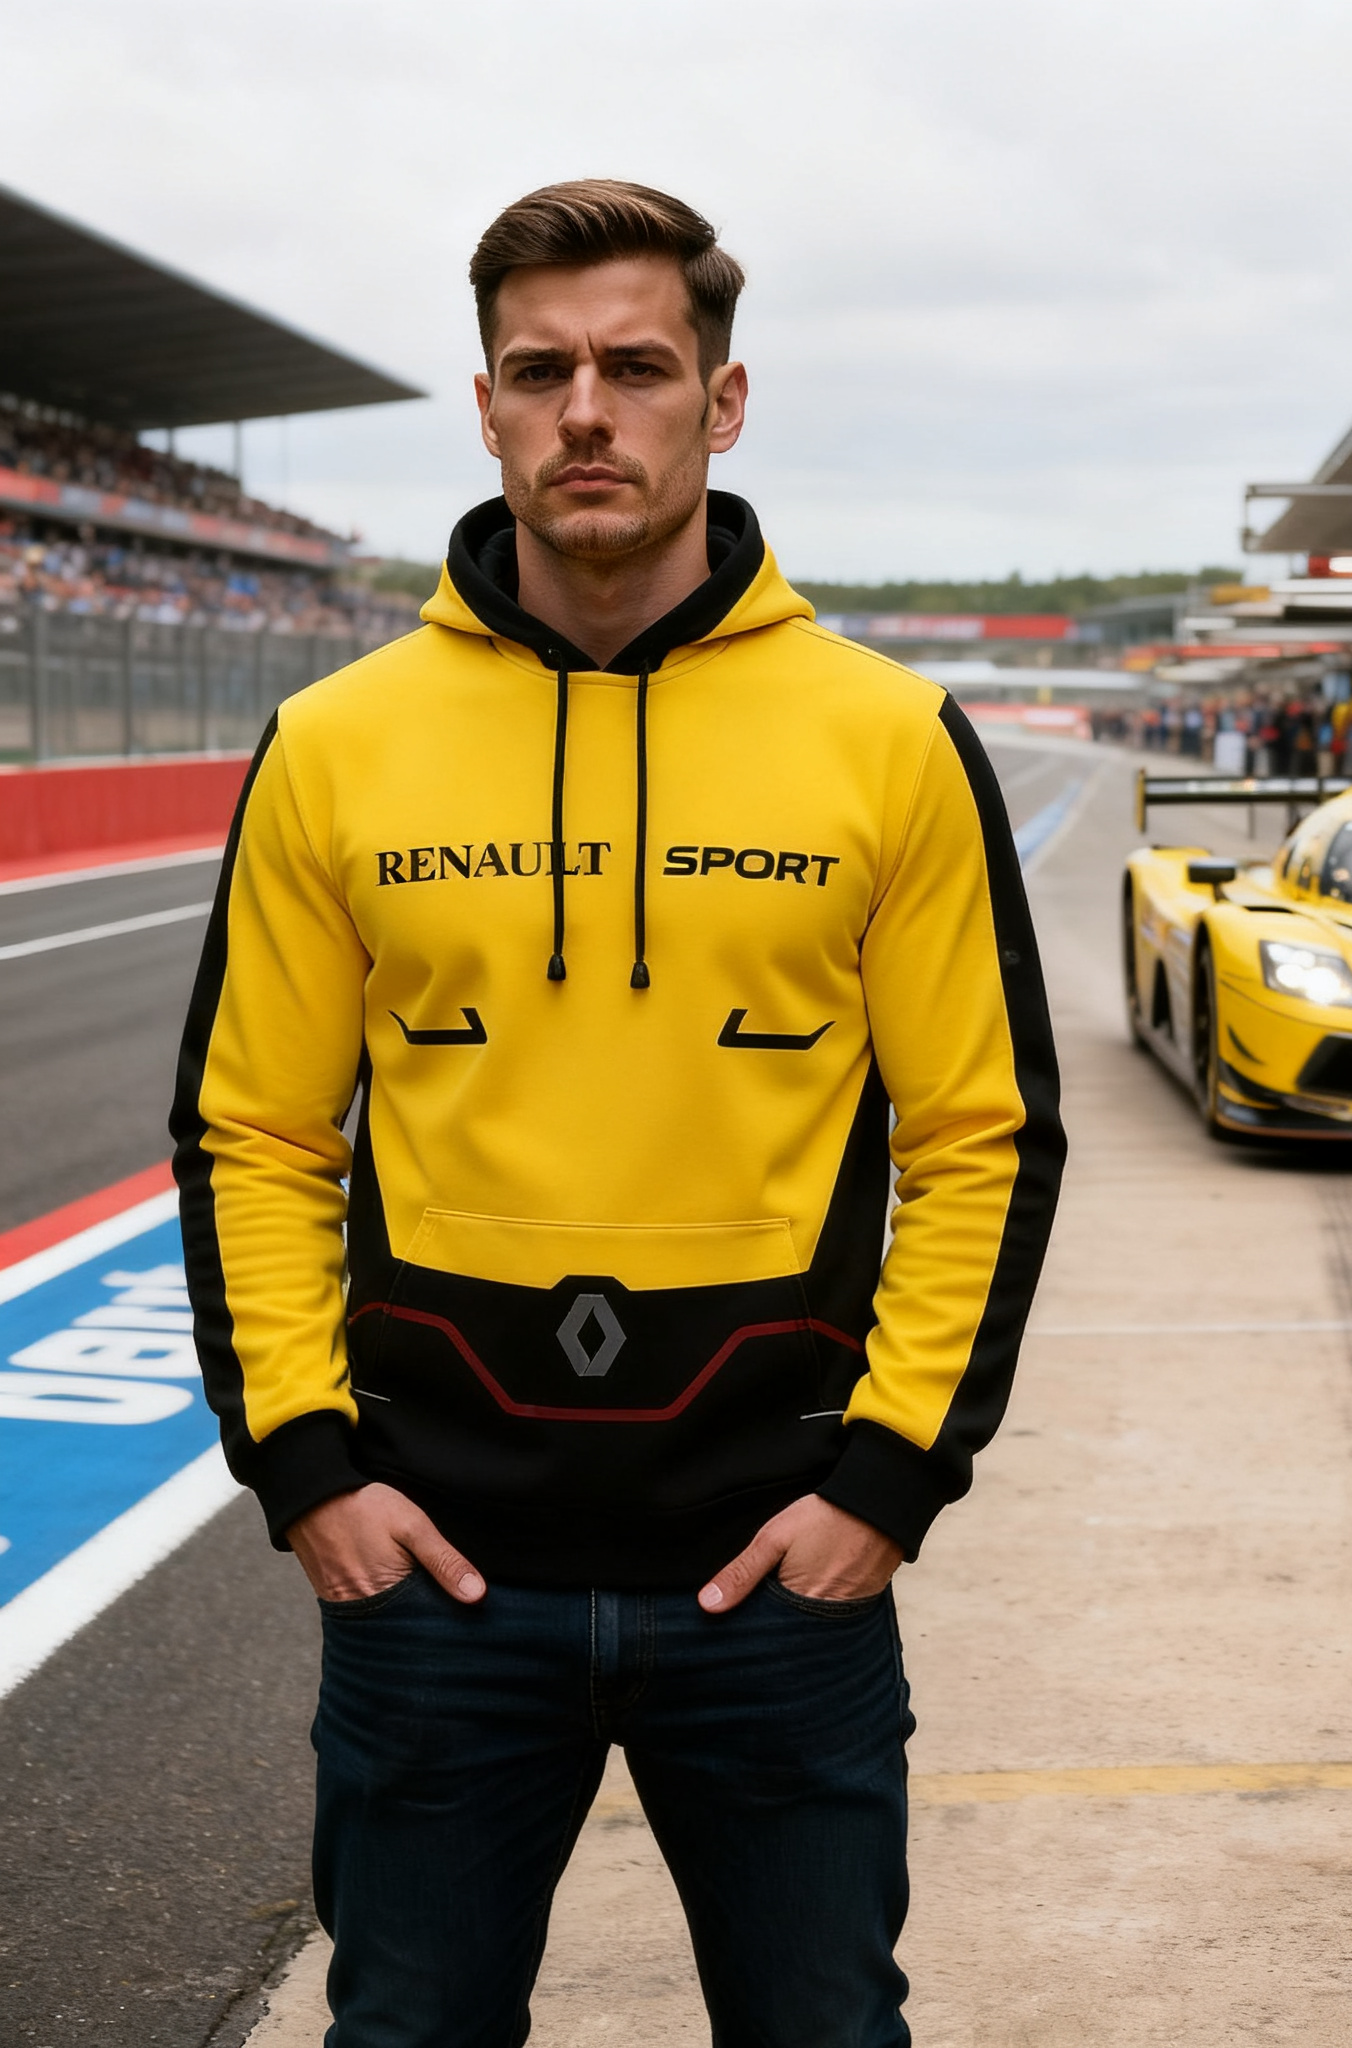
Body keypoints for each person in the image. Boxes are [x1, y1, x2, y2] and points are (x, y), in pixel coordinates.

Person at [169, 180, 1065, 2047]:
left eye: (637, 367)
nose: (588, 410)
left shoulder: (889, 738)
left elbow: (980, 1138)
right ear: (486, 407)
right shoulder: (335, 743)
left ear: (721, 403)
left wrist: (885, 1485)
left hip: (779, 1579)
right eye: (542, 370)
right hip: (434, 1585)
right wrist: (308, 1469)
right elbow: (254, 1132)